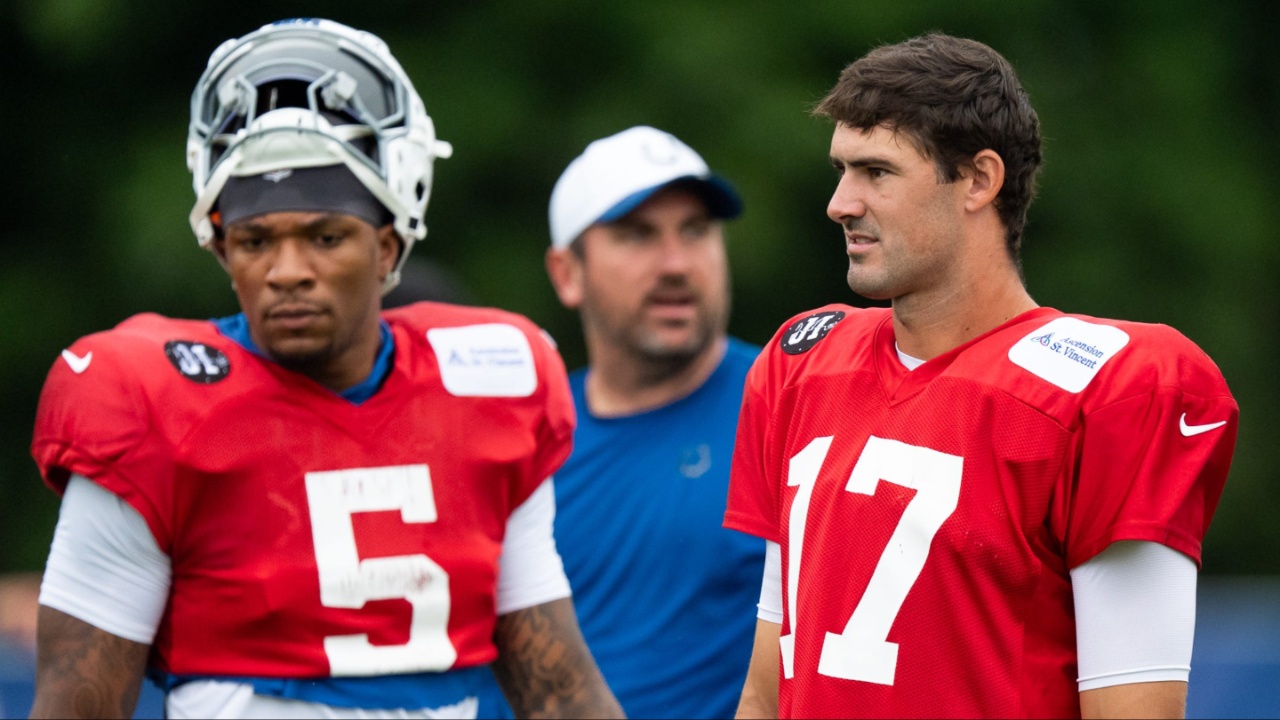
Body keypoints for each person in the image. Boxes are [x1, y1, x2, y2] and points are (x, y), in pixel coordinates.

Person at [28, 19, 622, 720]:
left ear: (388, 244)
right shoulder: (147, 400)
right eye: (255, 240)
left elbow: (557, 687)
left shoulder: (487, 383)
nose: (287, 272)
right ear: (220, 249)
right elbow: (75, 708)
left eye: (325, 236)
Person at [726, 33, 1238, 719]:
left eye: (877, 172)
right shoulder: (802, 363)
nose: (841, 203)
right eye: (841, 170)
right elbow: (766, 692)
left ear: (978, 180)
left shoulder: (1108, 389)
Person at [478, 126, 767, 718]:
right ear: (566, 273)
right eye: (637, 236)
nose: (676, 264)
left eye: (696, 231)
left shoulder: (791, 406)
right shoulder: (522, 439)